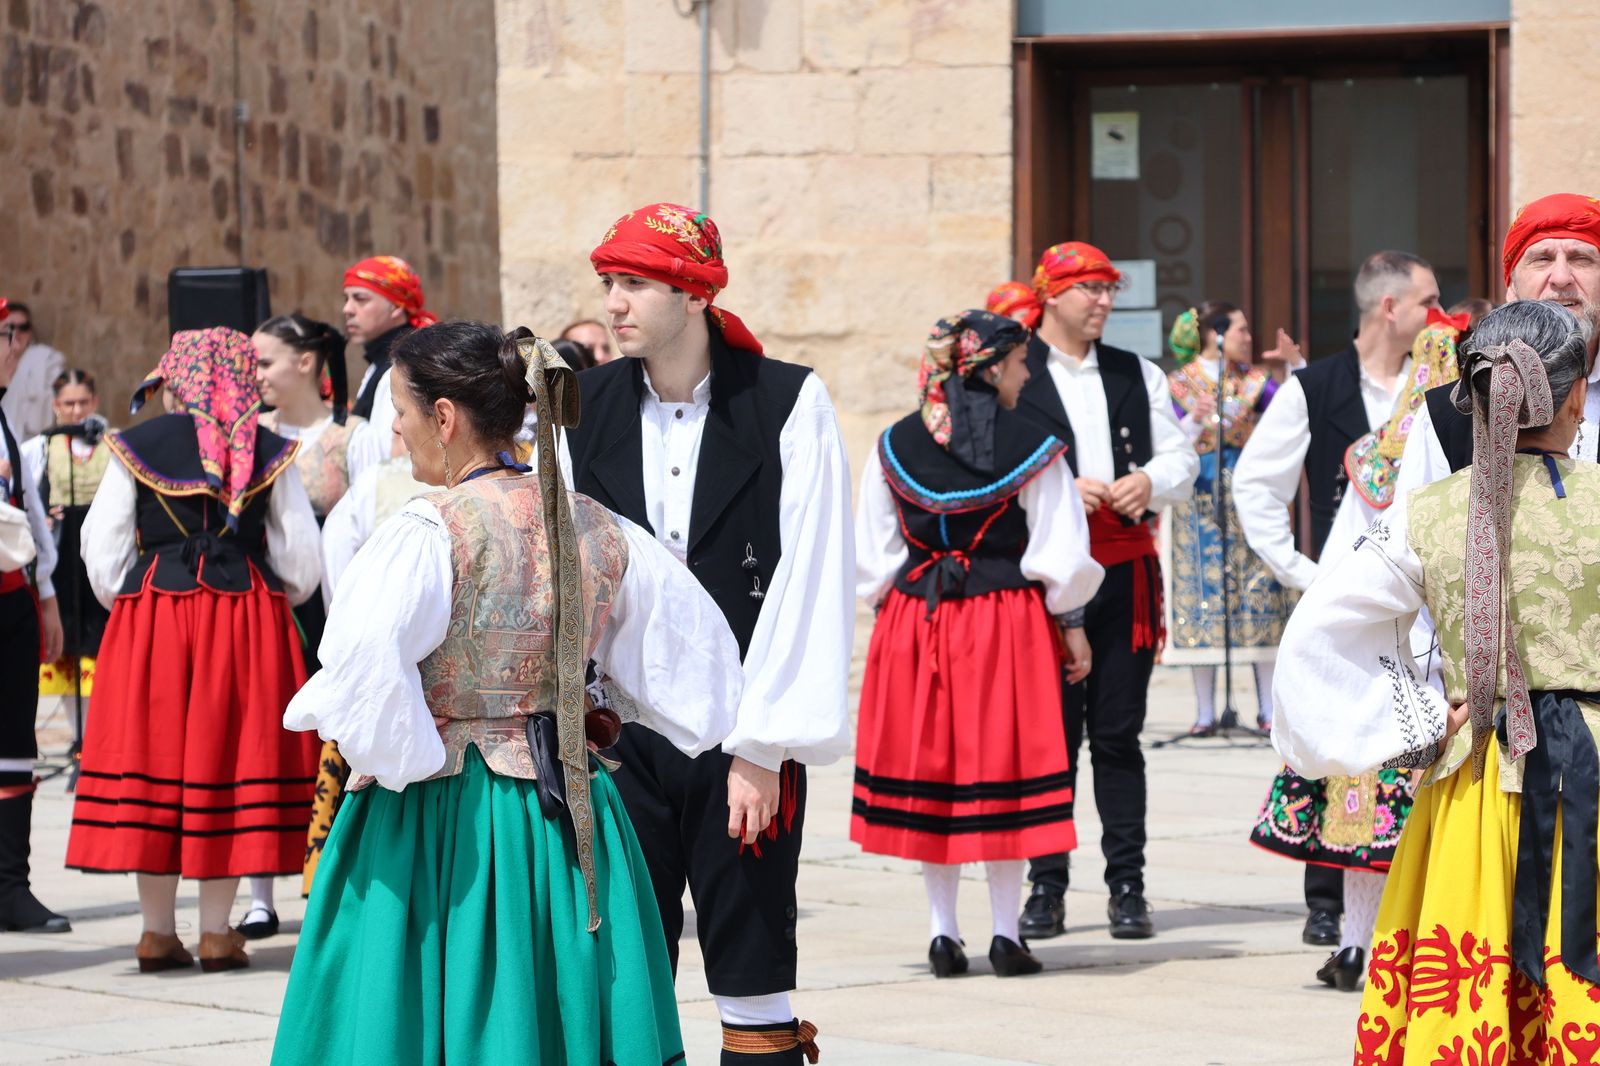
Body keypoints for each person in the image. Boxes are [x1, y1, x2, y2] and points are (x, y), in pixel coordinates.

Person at [271, 322, 743, 1066]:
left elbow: (361, 671)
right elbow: (703, 675)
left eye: (401, 408)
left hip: (439, 812)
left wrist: (412, 760)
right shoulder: (601, 527)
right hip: (568, 810)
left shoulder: (429, 529)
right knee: (549, 1005)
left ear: (447, 418)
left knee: (411, 1011)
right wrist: (598, 707)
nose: (394, 427)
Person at [1272, 299, 1600, 1063]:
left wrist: (1417, 719)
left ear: (1475, 399)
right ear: (1575, 394)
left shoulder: (1427, 514)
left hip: (1479, 774)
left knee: (1469, 982)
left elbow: (1313, 636)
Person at [564, 202, 853, 1064]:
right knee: (618, 974)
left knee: (753, 974)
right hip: (617, 733)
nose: (613, 302)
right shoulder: (583, 405)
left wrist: (763, 746)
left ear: (694, 294)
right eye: (608, 283)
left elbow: (812, 581)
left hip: (741, 730)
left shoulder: (789, 401)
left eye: (635, 284)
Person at [854, 310, 1102, 978]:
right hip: (1004, 624)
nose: (1027, 371)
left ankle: (942, 933)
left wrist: (898, 619)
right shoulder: (1035, 444)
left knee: (935, 775)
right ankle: (1004, 933)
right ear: (991, 367)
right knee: (1004, 774)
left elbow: (873, 560)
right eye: (1020, 361)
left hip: (917, 620)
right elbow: (1060, 551)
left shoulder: (894, 443)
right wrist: (1071, 625)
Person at [67, 327, 321, 972]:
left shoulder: (136, 446)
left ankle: (156, 931)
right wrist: (265, 592)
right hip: (243, 621)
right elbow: (299, 561)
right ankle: (215, 931)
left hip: (154, 619)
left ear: (176, 378)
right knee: (229, 763)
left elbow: (103, 551)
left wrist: (136, 602)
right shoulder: (271, 449)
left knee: (154, 761)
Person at [1233, 249, 1440, 950]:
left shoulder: (1433, 383)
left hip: (1421, 605)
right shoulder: (1314, 387)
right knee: (1334, 746)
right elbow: (1255, 484)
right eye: (1428, 301)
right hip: (1344, 601)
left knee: (1405, 751)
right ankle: (1331, 909)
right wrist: (1305, 573)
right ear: (1390, 307)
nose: (1437, 315)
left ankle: (1395, 913)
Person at [1013, 241, 1200, 942]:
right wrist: (1060, 485)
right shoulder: (1018, 367)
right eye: (1090, 289)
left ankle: (1128, 886)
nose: (1103, 302)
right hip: (1049, 576)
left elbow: (1179, 451)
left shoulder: (1134, 371)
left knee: (1118, 736)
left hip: (1123, 570)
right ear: (1052, 294)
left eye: (1109, 289)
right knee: (1051, 739)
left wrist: (1150, 480)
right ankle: (1046, 886)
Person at [242, 312, 363, 936]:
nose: (254, 374)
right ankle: (259, 891)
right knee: (268, 737)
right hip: (268, 603)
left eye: (264, 362)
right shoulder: (247, 437)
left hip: (331, 605)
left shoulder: (350, 437)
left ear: (307, 363)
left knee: (334, 740)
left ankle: (333, 871)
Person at [1162, 303, 1297, 734]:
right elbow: (1166, 442)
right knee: (1200, 594)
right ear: (1214, 333)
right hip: (1197, 499)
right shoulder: (1178, 383)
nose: (1247, 336)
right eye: (1240, 328)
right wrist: (1196, 422)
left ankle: (1267, 709)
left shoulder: (1255, 381)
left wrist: (1295, 366)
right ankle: (1204, 712)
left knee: (1259, 589)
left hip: (1248, 496)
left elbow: (1294, 408)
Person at [1399, 193, 1600, 481]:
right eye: (1541, 259)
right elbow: (1415, 522)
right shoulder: (1446, 415)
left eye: (1581, 259)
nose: (1561, 277)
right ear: (1512, 290)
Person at [0, 297, 68, 934]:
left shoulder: (9, 433)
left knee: (15, 745)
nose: (14, 346)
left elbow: (28, 521)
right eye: (4, 335)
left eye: (16, 334)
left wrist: (45, 599)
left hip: (12, 598)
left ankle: (10, 887)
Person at [23, 370, 114, 715]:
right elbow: (23, 494)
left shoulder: (113, 442)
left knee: (100, 639)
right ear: (55, 406)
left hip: (100, 550)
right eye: (68, 403)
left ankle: (99, 734)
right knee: (68, 644)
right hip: (63, 554)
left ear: (95, 403)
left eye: (83, 402)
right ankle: (78, 735)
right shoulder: (41, 446)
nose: (77, 411)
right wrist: (41, 518)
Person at [342, 255, 438, 420]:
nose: (347, 309)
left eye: (360, 299)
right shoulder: (381, 359)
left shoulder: (405, 366)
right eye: (347, 299)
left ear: (396, 307)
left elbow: (388, 444)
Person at [0, 302, 66, 441]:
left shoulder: (48, 360)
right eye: (10, 327)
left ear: (30, 331)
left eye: (23, 327)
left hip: (30, 443)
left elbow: (59, 403)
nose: (16, 333)